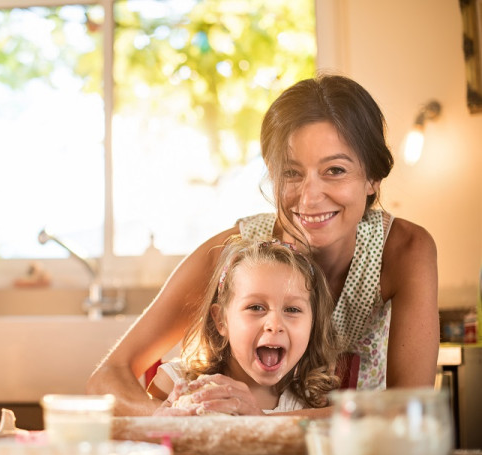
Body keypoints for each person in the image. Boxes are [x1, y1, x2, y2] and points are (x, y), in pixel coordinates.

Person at [86, 73, 439, 417]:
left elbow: (407, 410)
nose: (310, 196)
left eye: (334, 170)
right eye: (291, 172)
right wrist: (175, 421)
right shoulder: (234, 252)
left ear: (373, 178)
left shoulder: (405, 250)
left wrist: (259, 421)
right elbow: (106, 379)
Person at [148, 236, 341, 415]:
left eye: (292, 310)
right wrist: (157, 426)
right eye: (256, 307)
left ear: (312, 323)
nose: (274, 325)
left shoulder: (309, 404)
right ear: (221, 320)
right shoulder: (177, 382)